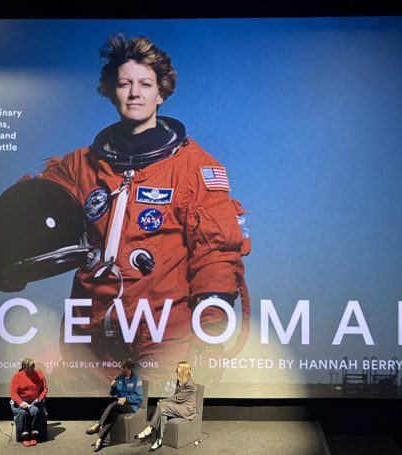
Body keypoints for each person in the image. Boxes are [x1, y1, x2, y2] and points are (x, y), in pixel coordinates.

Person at [38, 32, 251, 395]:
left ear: (161, 93)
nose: (134, 93)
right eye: (124, 84)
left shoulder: (194, 168)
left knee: (160, 424)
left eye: (145, 84)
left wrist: (212, 324)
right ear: (111, 92)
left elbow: (215, 250)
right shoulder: (80, 167)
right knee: (92, 426)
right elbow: (29, 207)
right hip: (92, 330)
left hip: (164, 331)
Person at [135, 360, 197, 452]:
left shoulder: (190, 385)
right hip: (179, 405)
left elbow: (177, 398)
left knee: (162, 405)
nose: (176, 369)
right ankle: (159, 440)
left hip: (186, 409)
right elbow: (175, 396)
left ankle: (150, 428)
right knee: (162, 412)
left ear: (183, 370)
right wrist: (164, 401)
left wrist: (163, 400)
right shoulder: (180, 381)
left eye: (178, 368)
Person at [85, 358, 144, 452]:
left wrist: (127, 398)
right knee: (113, 414)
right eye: (121, 368)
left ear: (129, 368)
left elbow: (139, 398)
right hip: (119, 404)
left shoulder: (137, 380)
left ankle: (98, 425)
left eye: (123, 368)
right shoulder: (120, 377)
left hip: (131, 405)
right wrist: (112, 386)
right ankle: (100, 440)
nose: (121, 370)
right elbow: (113, 393)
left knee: (113, 406)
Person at [10, 358, 48, 447]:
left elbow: (44, 388)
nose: (33, 368)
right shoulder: (17, 376)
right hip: (20, 401)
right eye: (31, 366)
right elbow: (13, 393)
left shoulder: (39, 374)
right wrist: (20, 403)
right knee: (23, 413)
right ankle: (25, 436)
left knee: (35, 411)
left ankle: (34, 434)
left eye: (34, 366)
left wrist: (40, 398)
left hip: (34, 401)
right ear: (24, 367)